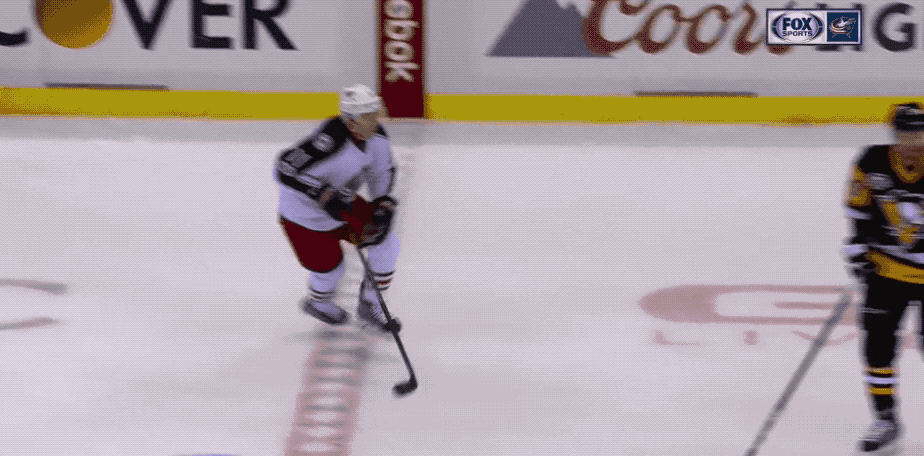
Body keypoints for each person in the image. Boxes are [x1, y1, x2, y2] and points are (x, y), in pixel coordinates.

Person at [274, 83, 401, 332]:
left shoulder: (377, 137)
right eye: (368, 116)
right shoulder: (329, 140)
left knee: (385, 241)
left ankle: (371, 302)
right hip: (303, 217)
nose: (375, 121)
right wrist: (322, 194)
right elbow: (284, 168)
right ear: (350, 121)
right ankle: (319, 303)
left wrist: (383, 203)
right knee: (330, 272)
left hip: (343, 204)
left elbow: (382, 172)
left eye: (375, 114)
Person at [844, 101, 924, 453]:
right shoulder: (872, 160)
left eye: (918, 132)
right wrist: (857, 248)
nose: (912, 139)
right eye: (905, 132)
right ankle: (885, 419)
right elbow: (858, 210)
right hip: (886, 270)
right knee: (877, 345)